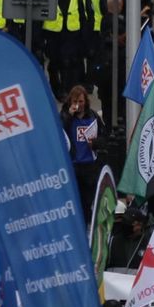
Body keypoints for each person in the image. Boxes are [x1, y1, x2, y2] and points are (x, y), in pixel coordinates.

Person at [62, 85, 103, 215]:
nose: (78, 105)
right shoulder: (65, 116)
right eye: (75, 101)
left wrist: (95, 143)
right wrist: (69, 116)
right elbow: (58, 133)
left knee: (87, 202)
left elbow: (104, 136)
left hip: (89, 165)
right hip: (73, 165)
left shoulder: (93, 116)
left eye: (80, 101)